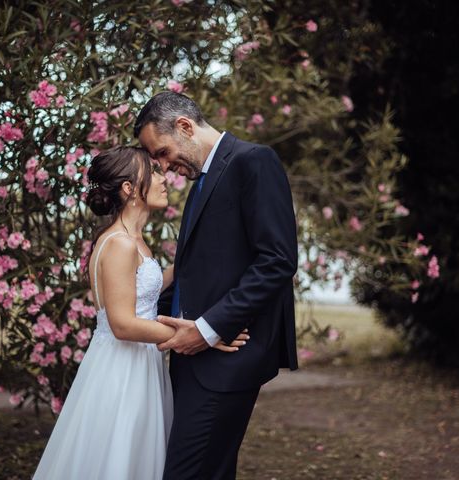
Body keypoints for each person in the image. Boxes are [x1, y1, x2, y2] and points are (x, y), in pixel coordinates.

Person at [32, 146, 247, 480]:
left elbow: (145, 291)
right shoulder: (119, 243)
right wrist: (199, 333)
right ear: (129, 188)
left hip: (139, 363)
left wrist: (201, 261)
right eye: (154, 172)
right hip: (122, 369)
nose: (164, 178)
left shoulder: (133, 240)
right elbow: (122, 323)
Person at [135, 91, 299, 479]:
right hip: (193, 358)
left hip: (227, 357)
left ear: (185, 127)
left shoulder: (253, 162)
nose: (162, 165)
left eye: (160, 151)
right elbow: (198, 271)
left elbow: (277, 260)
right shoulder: (204, 179)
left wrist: (208, 330)